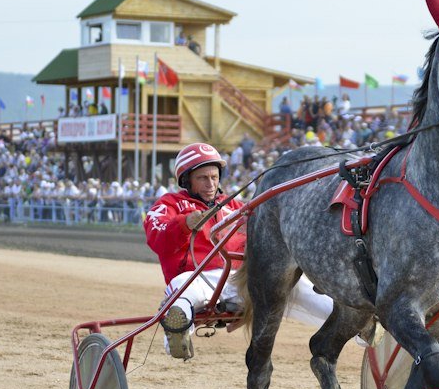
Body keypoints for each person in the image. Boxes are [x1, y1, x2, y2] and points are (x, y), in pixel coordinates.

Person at [144, 142, 351, 360]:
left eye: (214, 177)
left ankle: (356, 322)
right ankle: (177, 336)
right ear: (186, 180)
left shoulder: (233, 206)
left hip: (245, 281)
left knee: (296, 283)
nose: (210, 184)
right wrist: (184, 223)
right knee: (180, 289)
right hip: (201, 279)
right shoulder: (169, 204)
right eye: (202, 178)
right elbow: (157, 238)